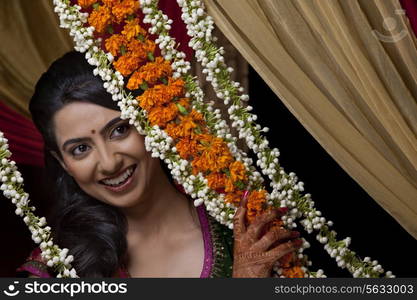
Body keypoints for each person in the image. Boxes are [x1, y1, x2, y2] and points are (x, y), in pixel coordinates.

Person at [16, 51, 302, 278]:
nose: (109, 162)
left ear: (150, 121)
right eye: (80, 149)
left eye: (119, 130)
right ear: (62, 163)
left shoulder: (240, 229)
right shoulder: (59, 269)